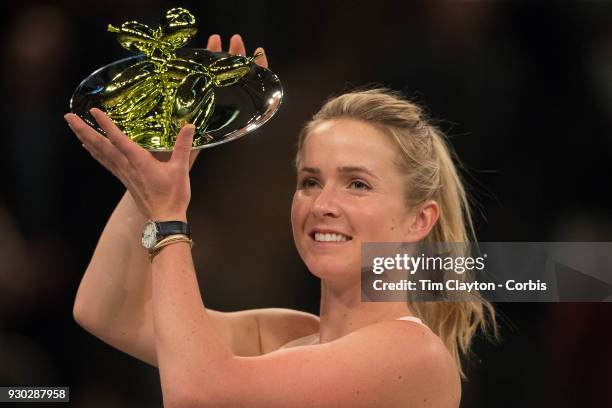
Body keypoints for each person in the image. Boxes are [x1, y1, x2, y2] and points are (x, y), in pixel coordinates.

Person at [68, 34, 495, 407]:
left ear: (420, 220)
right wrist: (165, 159)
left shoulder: (412, 354)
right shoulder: (281, 335)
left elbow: (195, 391)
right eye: (310, 181)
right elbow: (107, 311)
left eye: (358, 184)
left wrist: (168, 215)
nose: (322, 203)